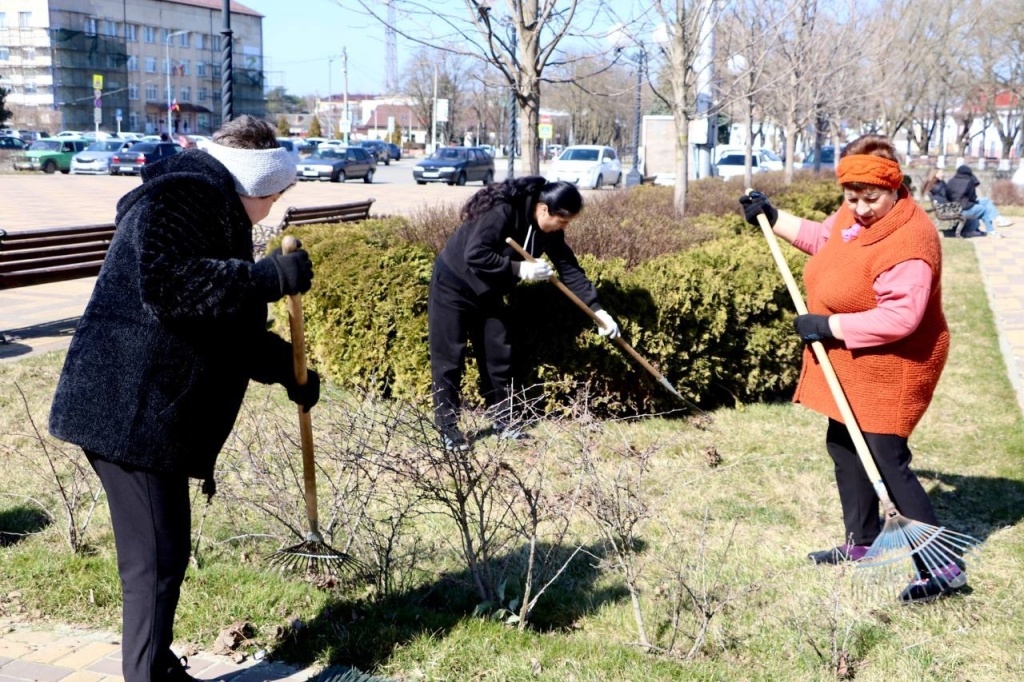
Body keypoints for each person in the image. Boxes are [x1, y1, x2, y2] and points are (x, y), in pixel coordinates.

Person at [49, 115, 319, 681]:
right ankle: (147, 674)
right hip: (129, 407)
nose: (274, 209)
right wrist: (269, 278)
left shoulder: (209, 199)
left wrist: (287, 371)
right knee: (154, 562)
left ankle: (158, 665)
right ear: (258, 183)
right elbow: (171, 284)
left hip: (147, 409)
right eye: (274, 196)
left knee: (164, 553)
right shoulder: (189, 192)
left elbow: (220, 325)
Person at [739, 134, 966, 603]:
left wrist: (829, 324)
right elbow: (827, 240)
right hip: (855, 357)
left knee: (887, 458)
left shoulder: (911, 240)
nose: (860, 208)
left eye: (871, 198)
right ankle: (861, 542)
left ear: (894, 186)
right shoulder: (854, 216)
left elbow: (902, 317)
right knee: (844, 444)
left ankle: (942, 567)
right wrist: (774, 217)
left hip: (897, 362)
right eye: (851, 198)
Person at [428, 176, 620, 450]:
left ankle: (503, 420)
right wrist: (520, 269)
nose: (564, 227)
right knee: (449, 358)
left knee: (498, 354)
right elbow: (476, 254)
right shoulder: (503, 211)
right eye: (563, 221)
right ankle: (448, 429)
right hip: (453, 284)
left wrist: (598, 311)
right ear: (544, 210)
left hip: (489, 290)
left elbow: (569, 269)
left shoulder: (548, 231)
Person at [945, 164, 1012, 238]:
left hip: (954, 208)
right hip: (964, 209)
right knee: (983, 209)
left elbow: (947, 195)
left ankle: (998, 218)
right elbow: (973, 197)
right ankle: (991, 231)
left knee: (986, 201)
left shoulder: (950, 181)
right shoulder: (969, 182)